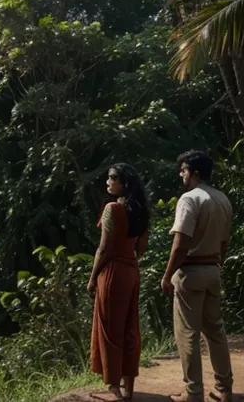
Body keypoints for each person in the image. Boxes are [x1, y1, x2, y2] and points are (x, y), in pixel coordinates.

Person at [161, 150, 234, 402]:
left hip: (190, 272)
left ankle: (193, 393)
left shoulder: (189, 199)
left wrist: (167, 274)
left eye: (183, 170)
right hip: (213, 269)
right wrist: (216, 265)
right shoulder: (222, 199)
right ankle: (224, 389)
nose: (181, 174)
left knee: (187, 333)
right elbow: (224, 242)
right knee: (215, 331)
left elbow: (181, 242)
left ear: (195, 173)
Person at [88, 163, 150, 402]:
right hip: (131, 270)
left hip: (112, 271)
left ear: (124, 183)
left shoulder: (112, 209)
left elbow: (103, 249)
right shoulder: (140, 211)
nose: (108, 182)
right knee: (129, 327)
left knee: (110, 330)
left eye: (112, 178)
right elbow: (140, 248)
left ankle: (114, 386)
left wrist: (93, 278)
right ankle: (129, 387)